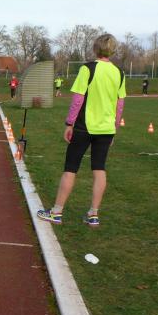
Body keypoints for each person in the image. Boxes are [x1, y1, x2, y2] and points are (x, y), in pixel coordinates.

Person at [37, 34, 126, 228]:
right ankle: (93, 214)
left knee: (70, 168)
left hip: (83, 126)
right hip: (106, 129)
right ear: (113, 50)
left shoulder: (87, 69)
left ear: (95, 48)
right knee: (99, 169)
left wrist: (69, 123)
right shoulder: (119, 73)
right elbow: (120, 104)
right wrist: (114, 129)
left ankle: (56, 212)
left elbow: (78, 99)